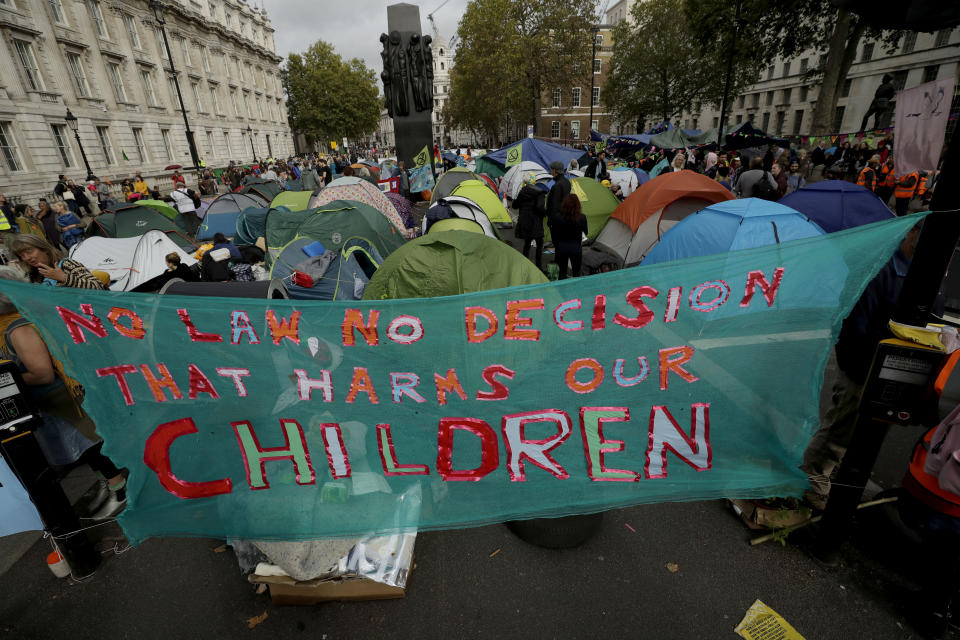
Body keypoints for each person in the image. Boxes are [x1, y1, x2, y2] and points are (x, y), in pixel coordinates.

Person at [802, 225, 926, 510]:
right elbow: (854, 326)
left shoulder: (929, 274)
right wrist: (858, 369)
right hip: (864, 368)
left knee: (860, 435)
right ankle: (811, 481)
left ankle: (830, 476)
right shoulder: (881, 271)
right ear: (910, 234)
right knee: (840, 429)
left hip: (896, 371)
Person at [0, 266, 126, 519]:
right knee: (89, 448)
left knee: (91, 447)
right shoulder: (14, 320)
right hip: (55, 404)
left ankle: (120, 489)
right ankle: (113, 484)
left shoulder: (17, 327)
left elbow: (42, 373)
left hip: (61, 403)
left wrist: (9, 379)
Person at [8, 234, 105, 289]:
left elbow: (98, 287)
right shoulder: (33, 274)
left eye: (29, 251)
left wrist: (64, 278)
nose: (27, 258)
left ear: (44, 249)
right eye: (22, 256)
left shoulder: (67, 265)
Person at [512, 174, 546, 271]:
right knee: (539, 244)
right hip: (536, 222)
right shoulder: (540, 193)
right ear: (534, 181)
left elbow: (515, 206)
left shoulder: (522, 191)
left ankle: (525, 265)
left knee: (527, 244)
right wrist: (545, 212)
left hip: (525, 221)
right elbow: (540, 207)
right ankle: (539, 266)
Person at [549, 194, 588, 280]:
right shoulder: (582, 217)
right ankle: (575, 290)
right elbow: (586, 232)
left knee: (561, 273)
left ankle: (562, 291)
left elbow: (553, 233)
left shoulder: (557, 217)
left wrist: (556, 245)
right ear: (578, 204)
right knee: (576, 272)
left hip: (561, 247)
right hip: (576, 247)